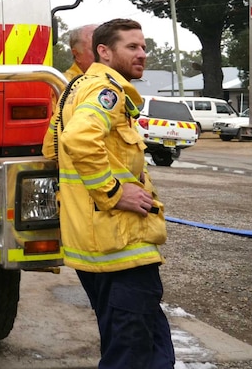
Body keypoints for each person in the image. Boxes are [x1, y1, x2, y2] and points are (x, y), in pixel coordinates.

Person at [44, 19, 175, 368]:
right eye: (132, 47)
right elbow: (77, 140)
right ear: (104, 51)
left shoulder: (75, 88)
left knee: (147, 345)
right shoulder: (107, 91)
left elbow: (51, 148)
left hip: (99, 242)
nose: (142, 55)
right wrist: (114, 192)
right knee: (133, 350)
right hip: (121, 242)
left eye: (143, 47)